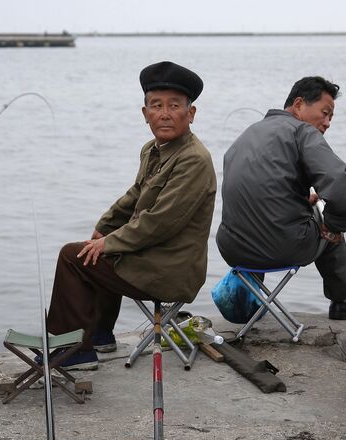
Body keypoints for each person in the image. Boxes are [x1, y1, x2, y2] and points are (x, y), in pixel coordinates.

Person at [43, 61, 216, 370]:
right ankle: (100, 336)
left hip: (172, 268)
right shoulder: (153, 149)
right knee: (92, 248)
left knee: (73, 257)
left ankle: (73, 352)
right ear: (145, 113)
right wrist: (103, 228)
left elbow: (159, 223)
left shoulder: (194, 160)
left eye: (174, 106)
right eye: (156, 105)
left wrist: (109, 243)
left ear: (190, 114)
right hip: (151, 256)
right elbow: (135, 195)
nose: (164, 113)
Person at [216, 76, 346, 320]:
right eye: (325, 112)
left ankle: (251, 299)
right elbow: (339, 184)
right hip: (282, 247)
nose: (328, 122)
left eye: (331, 117)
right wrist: (335, 224)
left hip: (232, 249)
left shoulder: (247, 133)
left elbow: (259, 192)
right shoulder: (302, 131)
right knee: (327, 215)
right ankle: (344, 301)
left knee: (270, 215)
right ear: (298, 104)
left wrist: (298, 199)